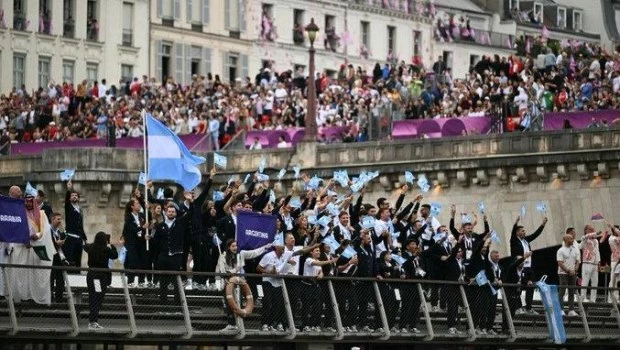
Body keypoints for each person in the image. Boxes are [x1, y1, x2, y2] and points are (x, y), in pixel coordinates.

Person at [216, 239, 272, 331]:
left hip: (239, 284)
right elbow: (221, 271)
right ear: (229, 247)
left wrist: (264, 248)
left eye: (236, 246)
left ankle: (239, 324)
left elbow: (253, 253)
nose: (235, 248)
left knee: (239, 304)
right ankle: (231, 324)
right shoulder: (223, 257)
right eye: (233, 246)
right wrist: (231, 272)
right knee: (229, 304)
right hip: (227, 283)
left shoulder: (240, 255)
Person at [151, 199, 193, 303]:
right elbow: (156, 243)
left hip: (176, 256)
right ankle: (163, 302)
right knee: (163, 281)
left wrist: (190, 202)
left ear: (175, 213)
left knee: (177, 280)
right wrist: (149, 238)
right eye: (169, 211)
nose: (171, 213)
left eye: (173, 211)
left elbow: (191, 213)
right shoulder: (160, 226)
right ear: (166, 212)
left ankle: (178, 303)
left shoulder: (180, 223)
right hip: (164, 256)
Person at [510, 215, 547, 314]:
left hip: (528, 268)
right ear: (517, 232)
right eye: (522, 231)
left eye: (524, 231)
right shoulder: (514, 241)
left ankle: (529, 307)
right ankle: (518, 307)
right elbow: (513, 233)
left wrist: (542, 225)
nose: (524, 232)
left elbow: (535, 235)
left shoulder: (526, 240)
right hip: (520, 268)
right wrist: (515, 223)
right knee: (519, 288)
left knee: (531, 287)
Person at [84, 231, 118, 330]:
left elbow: (85, 247)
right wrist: (111, 245)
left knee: (93, 297)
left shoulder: (91, 248)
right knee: (97, 297)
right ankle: (93, 321)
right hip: (99, 277)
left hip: (91, 275)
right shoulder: (106, 249)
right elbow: (115, 255)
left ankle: (93, 320)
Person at [122, 198, 147, 287]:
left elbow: (149, 218)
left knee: (143, 262)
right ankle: (130, 281)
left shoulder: (141, 215)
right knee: (132, 262)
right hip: (132, 243)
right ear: (132, 206)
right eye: (137, 204)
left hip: (141, 242)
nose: (139, 205)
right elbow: (132, 230)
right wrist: (143, 227)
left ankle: (141, 281)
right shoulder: (129, 217)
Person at [64, 180, 87, 269]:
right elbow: (66, 201)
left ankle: (77, 276)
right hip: (71, 237)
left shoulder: (79, 210)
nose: (74, 197)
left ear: (78, 198)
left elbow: (80, 225)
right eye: (72, 195)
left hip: (79, 238)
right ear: (70, 198)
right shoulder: (69, 207)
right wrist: (69, 190)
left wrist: (84, 238)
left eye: (76, 195)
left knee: (78, 260)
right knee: (71, 259)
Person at [557, 234, 580, 317]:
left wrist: (575, 270)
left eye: (572, 238)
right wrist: (567, 271)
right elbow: (560, 262)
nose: (572, 240)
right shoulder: (561, 250)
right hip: (563, 273)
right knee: (562, 291)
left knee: (571, 291)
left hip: (573, 273)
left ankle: (571, 310)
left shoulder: (575, 250)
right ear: (565, 240)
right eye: (570, 238)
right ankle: (560, 309)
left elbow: (577, 261)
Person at [580, 224, 603, 303]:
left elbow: (597, 252)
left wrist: (599, 262)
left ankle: (593, 299)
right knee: (585, 281)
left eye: (593, 230)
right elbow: (585, 237)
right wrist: (595, 233)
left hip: (595, 264)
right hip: (587, 263)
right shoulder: (585, 239)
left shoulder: (596, 241)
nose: (592, 231)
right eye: (590, 230)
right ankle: (583, 298)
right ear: (586, 230)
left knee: (595, 282)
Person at [50, 213, 68, 303]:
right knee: (51, 278)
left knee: (60, 279)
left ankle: (59, 297)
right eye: (58, 219)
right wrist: (56, 243)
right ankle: (50, 296)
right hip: (51, 257)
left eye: (61, 219)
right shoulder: (48, 230)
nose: (60, 221)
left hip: (59, 257)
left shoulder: (59, 232)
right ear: (52, 219)